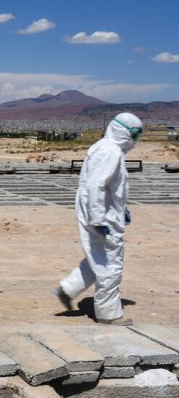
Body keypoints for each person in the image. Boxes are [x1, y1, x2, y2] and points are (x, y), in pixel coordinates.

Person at [54, 112, 144, 325]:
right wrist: (99, 219)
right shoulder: (110, 151)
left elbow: (104, 185)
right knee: (112, 264)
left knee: (98, 257)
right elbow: (96, 185)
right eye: (134, 134)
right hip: (102, 217)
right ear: (123, 131)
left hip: (101, 212)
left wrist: (121, 209)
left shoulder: (101, 147)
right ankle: (108, 314)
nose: (135, 140)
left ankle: (68, 289)